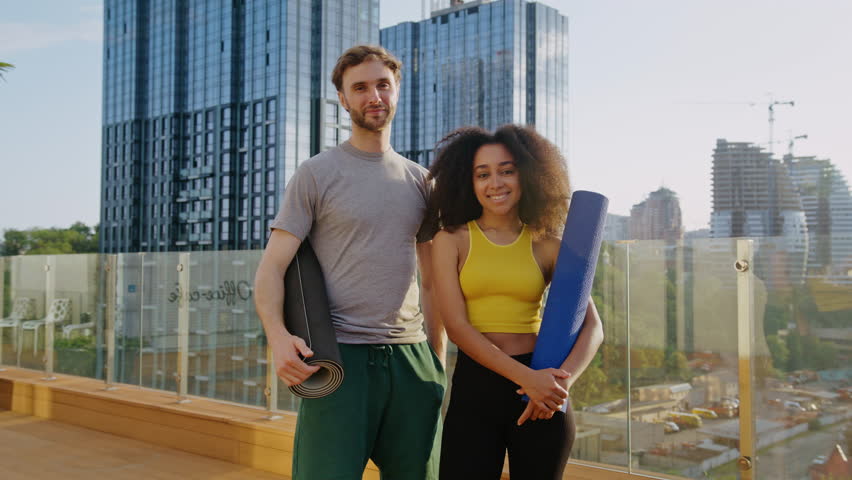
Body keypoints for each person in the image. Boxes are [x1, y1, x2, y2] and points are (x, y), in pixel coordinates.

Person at [254, 45, 446, 480]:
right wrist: (279, 337)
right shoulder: (316, 174)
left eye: (383, 84)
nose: (373, 95)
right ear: (342, 99)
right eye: (359, 87)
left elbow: (433, 282)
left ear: (397, 91)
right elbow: (271, 268)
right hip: (340, 360)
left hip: (411, 360)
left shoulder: (422, 181)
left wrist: (436, 360)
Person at [429, 125, 605, 480]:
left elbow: (593, 327)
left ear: (527, 175)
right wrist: (527, 379)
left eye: (506, 170)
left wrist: (558, 386)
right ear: (469, 181)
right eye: (483, 174)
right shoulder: (451, 240)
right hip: (477, 388)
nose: (495, 183)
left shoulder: (548, 244)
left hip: (542, 389)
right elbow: (458, 328)